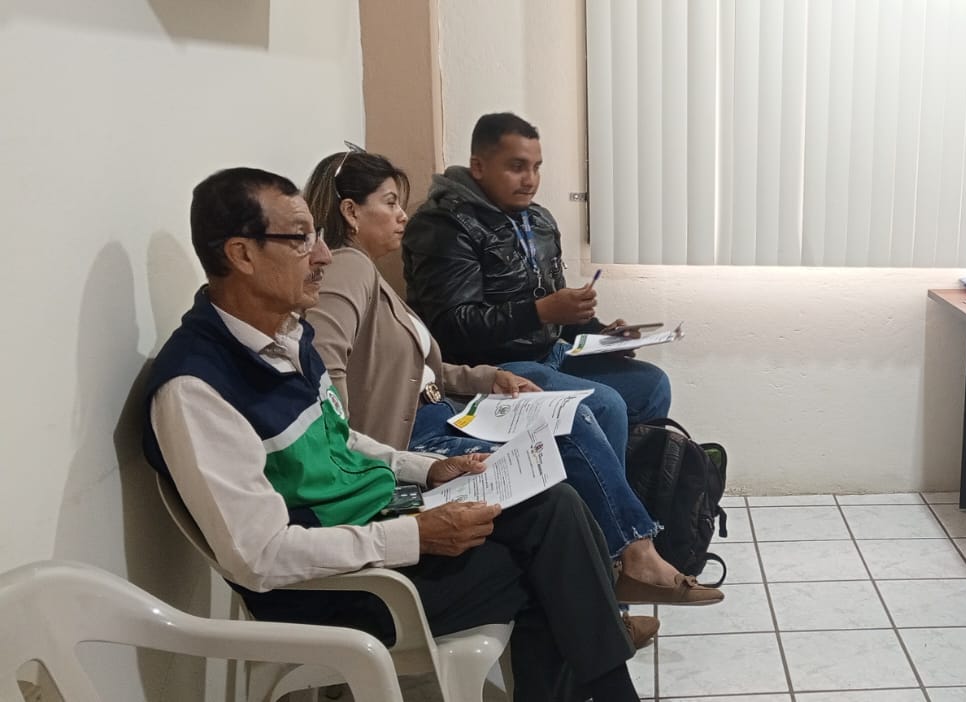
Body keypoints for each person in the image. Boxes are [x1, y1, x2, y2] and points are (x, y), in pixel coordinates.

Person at [143, 167, 645, 702]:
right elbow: (260, 557)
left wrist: (426, 469)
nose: (323, 256)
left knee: (554, 506)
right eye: (301, 239)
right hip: (335, 588)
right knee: (554, 570)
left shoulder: (286, 336)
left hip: (378, 521)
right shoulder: (197, 389)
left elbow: (341, 438)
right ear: (242, 254)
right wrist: (415, 536)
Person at [301, 148, 720, 607]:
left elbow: (424, 369)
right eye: (389, 203)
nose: (401, 215)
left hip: (451, 405)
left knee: (619, 397)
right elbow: (327, 373)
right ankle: (630, 564)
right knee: (578, 419)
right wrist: (354, 450)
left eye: (536, 168)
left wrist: (491, 378)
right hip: (414, 435)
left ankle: (621, 571)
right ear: (350, 212)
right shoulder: (354, 265)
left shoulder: (531, 224)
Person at [403, 112, 670, 463]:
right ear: (479, 167)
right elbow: (451, 328)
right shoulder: (445, 226)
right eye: (517, 167)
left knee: (652, 386)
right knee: (605, 406)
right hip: (494, 370)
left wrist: (602, 336)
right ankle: (608, 499)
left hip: (549, 356)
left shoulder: (539, 220)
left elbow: (557, 311)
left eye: (536, 167)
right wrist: (541, 312)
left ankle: (629, 485)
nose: (530, 180)